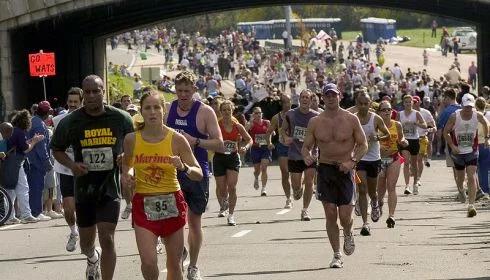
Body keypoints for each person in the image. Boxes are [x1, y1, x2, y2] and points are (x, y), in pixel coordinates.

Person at [51, 75, 134, 280]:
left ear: (103, 92)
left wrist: (126, 156)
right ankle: (92, 257)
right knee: (86, 244)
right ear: (82, 94)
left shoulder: (121, 118)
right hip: (84, 190)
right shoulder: (71, 121)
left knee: (107, 239)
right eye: (87, 92)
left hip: (109, 188)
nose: (91, 96)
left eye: (96, 91)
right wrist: (72, 165)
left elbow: (134, 144)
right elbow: (57, 149)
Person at [122, 90, 203, 280]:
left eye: (156, 107)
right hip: (143, 203)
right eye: (147, 108)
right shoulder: (131, 139)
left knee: (174, 265)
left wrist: (183, 167)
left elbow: (198, 173)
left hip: (172, 202)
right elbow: (128, 166)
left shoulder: (176, 139)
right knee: (149, 263)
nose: (152, 112)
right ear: (141, 111)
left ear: (163, 109)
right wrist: (128, 175)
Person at [164, 71, 223, 280]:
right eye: (179, 91)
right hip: (170, 172)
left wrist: (196, 141)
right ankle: (181, 251)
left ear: (194, 91)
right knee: (169, 221)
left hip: (197, 172)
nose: (182, 95)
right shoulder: (168, 109)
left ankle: (193, 266)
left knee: (194, 221)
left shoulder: (205, 112)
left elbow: (220, 144)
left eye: (186, 91)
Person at [302, 83, 368, 268]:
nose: (331, 98)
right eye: (327, 95)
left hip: (346, 170)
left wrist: (352, 161)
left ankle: (348, 232)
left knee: (345, 216)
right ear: (322, 98)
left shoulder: (351, 119)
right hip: (325, 170)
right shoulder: (315, 122)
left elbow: (363, 144)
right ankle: (337, 254)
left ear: (339, 96)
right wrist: (307, 156)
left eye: (334, 94)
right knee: (330, 213)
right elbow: (306, 146)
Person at [443, 94, 490, 217]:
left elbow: (486, 124)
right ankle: (461, 189)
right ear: (462, 105)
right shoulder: (455, 116)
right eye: (466, 106)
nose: (468, 109)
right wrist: (453, 146)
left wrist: (486, 138)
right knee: (460, 178)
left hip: (472, 150)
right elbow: (446, 132)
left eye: (470, 106)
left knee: (471, 175)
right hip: (458, 152)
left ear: (473, 105)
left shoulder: (477, 115)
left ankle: (471, 205)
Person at [52, 87, 83, 252]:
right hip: (65, 168)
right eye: (70, 102)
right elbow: (55, 145)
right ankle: (73, 232)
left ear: (81, 103)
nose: (72, 106)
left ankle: (88, 235)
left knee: (84, 207)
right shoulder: (58, 120)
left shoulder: (89, 120)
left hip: (85, 169)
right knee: (69, 208)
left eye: (75, 103)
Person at [354, 93, 390, 236]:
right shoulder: (353, 118)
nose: (363, 106)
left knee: (372, 191)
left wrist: (377, 137)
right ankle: (365, 223)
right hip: (359, 158)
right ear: (357, 104)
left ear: (370, 104)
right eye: (360, 103)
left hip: (374, 158)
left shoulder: (376, 118)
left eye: (366, 103)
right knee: (361, 189)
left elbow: (386, 134)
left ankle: (375, 202)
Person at [282, 90, 319, 221]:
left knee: (309, 181)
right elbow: (283, 130)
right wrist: (286, 137)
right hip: (295, 154)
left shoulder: (316, 116)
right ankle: (297, 189)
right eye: (302, 97)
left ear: (311, 100)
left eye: (307, 98)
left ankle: (305, 210)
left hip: (310, 154)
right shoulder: (291, 114)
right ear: (299, 99)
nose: (304, 100)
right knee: (296, 185)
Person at [214, 100, 252, 225]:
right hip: (219, 158)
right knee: (221, 188)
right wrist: (217, 144)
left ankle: (231, 215)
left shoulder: (238, 126)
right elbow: (209, 139)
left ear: (232, 111)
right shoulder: (217, 125)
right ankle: (224, 202)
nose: (226, 112)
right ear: (221, 111)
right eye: (224, 110)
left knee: (232, 187)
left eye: (228, 110)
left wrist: (245, 148)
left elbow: (249, 139)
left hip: (233, 157)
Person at [4, 110, 44, 224]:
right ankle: (26, 215)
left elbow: (20, 145)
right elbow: (26, 149)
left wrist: (31, 140)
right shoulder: (20, 132)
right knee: (23, 188)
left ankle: (9, 216)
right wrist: (35, 142)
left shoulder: (12, 130)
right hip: (16, 163)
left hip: (7, 162)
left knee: (10, 190)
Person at [376, 101, 408, 228]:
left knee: (391, 186)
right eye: (384, 110)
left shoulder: (397, 125)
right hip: (378, 160)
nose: (387, 112)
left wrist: (404, 142)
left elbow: (401, 139)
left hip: (394, 158)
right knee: (380, 189)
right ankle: (379, 203)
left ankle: (391, 216)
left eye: (389, 109)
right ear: (379, 112)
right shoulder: (375, 125)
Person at [27, 101, 54, 221]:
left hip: (31, 160)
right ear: (47, 113)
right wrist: (47, 162)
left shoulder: (33, 120)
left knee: (33, 187)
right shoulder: (40, 125)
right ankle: (36, 212)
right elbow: (41, 147)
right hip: (36, 162)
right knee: (37, 186)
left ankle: (34, 211)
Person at [398, 95, 427, 195]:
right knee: (406, 162)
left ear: (412, 103)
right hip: (404, 140)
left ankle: (415, 183)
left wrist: (416, 124)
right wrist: (401, 127)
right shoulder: (400, 114)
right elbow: (396, 125)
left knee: (414, 164)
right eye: (406, 102)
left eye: (409, 102)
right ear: (403, 103)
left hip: (414, 140)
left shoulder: (416, 114)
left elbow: (425, 125)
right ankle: (407, 185)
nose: (408, 104)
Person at [267, 94, 293, 208]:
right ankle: (288, 198)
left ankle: (297, 187)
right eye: (284, 102)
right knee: (285, 173)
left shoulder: (297, 115)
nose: (287, 104)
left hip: (296, 147)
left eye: (288, 102)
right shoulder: (276, 118)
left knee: (296, 173)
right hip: (282, 146)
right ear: (281, 104)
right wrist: (269, 143)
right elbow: (268, 132)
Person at [246, 106, 273, 196]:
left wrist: (272, 133)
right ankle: (256, 177)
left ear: (262, 114)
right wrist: (250, 121)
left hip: (265, 148)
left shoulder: (267, 122)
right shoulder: (251, 124)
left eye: (259, 113)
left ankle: (263, 188)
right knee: (257, 170)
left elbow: (272, 133)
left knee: (264, 168)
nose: (258, 115)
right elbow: (245, 131)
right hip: (255, 148)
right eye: (256, 113)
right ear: (253, 115)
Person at [413, 96, 436, 189]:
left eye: (415, 102)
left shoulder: (426, 112)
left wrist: (431, 129)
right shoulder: (407, 113)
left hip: (422, 138)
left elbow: (434, 126)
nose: (414, 103)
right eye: (412, 102)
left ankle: (418, 178)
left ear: (420, 102)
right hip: (409, 139)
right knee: (412, 161)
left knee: (419, 159)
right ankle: (414, 173)